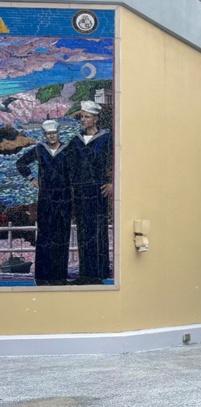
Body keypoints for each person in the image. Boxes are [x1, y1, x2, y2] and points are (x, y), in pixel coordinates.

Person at [16, 120, 72, 285]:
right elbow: (20, 163)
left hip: (64, 199)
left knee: (62, 237)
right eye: (48, 134)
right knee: (45, 237)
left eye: (54, 133)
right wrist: (32, 179)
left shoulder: (67, 150)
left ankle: (60, 276)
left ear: (58, 132)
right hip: (46, 199)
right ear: (45, 135)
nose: (52, 136)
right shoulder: (40, 150)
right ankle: (42, 276)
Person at [67, 101, 112, 284]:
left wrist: (111, 182)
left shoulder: (106, 139)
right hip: (80, 190)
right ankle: (86, 273)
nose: (83, 120)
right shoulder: (76, 141)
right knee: (84, 231)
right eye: (82, 117)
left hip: (98, 189)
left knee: (98, 230)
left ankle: (99, 272)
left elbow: (115, 160)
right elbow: (66, 162)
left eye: (87, 117)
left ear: (96, 119)